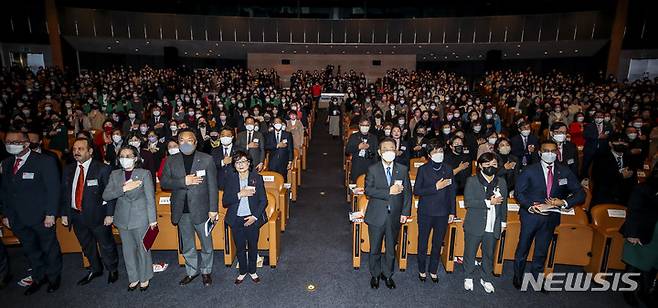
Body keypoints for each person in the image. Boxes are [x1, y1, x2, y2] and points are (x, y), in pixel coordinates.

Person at [512, 140, 585, 291]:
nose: (550, 154)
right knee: (523, 247)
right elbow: (519, 193)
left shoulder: (564, 171)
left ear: (557, 153)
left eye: (553, 151)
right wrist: (531, 206)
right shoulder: (529, 170)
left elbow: (580, 193)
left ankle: (536, 278)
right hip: (531, 215)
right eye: (546, 151)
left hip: (551, 217)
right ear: (540, 152)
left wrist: (563, 202)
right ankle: (518, 275)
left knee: (542, 250)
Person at [0, 130, 62, 295]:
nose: (10, 145)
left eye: (14, 142)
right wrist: (6, 214)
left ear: (26, 144)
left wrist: (51, 213)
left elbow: (53, 189)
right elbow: (4, 192)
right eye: (7, 142)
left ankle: (54, 278)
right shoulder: (6, 164)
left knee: (49, 248)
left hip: (41, 216)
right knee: (30, 250)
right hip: (17, 218)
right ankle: (38, 277)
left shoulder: (45, 161)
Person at [160, 129, 218, 287]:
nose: (185, 143)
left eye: (189, 140)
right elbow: (164, 183)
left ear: (196, 142)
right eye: (182, 140)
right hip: (181, 209)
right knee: (187, 244)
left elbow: (213, 186)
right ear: (178, 143)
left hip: (202, 209)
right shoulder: (171, 160)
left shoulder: (206, 159)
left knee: (206, 244)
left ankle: (206, 271)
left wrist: (214, 209)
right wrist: (183, 181)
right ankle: (191, 271)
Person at [60, 138, 119, 286]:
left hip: (98, 216)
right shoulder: (68, 169)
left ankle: (112, 269)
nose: (76, 152)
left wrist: (110, 214)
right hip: (76, 215)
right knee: (87, 245)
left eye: (80, 149)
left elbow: (110, 194)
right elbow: (64, 193)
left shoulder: (102, 169)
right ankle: (95, 268)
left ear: (90, 151)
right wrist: (65, 213)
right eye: (74, 149)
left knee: (106, 245)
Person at [103, 145, 157, 292]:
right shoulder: (115, 174)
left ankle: (145, 277)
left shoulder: (144, 173)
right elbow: (106, 195)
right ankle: (133, 278)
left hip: (141, 218)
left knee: (143, 248)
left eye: (128, 156)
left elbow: (150, 198)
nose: (125, 159)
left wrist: (153, 219)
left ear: (135, 158)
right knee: (127, 250)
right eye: (122, 156)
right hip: (122, 218)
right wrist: (124, 188)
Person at [362, 138, 412, 289]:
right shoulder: (373, 169)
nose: (389, 151)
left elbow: (408, 193)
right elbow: (368, 190)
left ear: (396, 151)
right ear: (379, 152)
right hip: (377, 215)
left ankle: (388, 274)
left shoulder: (402, 169)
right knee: (375, 248)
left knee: (391, 248)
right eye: (385, 149)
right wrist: (388, 192)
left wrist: (405, 212)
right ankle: (375, 274)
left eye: (392, 148)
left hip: (394, 216)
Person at [463, 153, 508, 293]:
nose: (490, 167)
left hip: (493, 223)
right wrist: (489, 202)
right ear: (480, 166)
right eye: (487, 164)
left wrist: (503, 223)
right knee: (470, 252)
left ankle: (486, 278)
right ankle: (468, 276)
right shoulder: (472, 181)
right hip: (475, 223)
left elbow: (504, 204)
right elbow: (468, 203)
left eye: (494, 164)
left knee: (489, 253)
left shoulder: (501, 182)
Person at [221, 151, 267, 284]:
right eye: (237, 162)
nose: (241, 165)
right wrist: (240, 194)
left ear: (249, 163)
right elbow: (225, 201)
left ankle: (252, 271)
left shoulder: (256, 178)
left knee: (253, 246)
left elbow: (263, 201)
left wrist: (255, 217)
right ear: (234, 165)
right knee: (240, 247)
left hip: (252, 218)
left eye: (243, 161)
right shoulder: (230, 179)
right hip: (236, 219)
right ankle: (242, 271)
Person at [413, 141, 456, 283]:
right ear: (429, 155)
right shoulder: (423, 169)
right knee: (423, 242)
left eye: (440, 151)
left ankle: (433, 270)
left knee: (437, 243)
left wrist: (452, 212)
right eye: (435, 152)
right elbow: (417, 191)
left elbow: (451, 192)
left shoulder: (448, 169)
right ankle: (421, 269)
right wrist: (435, 187)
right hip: (426, 212)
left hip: (443, 213)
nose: (439, 154)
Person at [620, 165, 658, 306]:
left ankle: (645, 291)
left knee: (653, 264)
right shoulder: (643, 188)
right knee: (635, 262)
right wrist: (632, 233)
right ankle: (628, 292)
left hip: (656, 235)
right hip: (642, 231)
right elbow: (633, 211)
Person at [591, 134, 636, 207]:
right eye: (617, 142)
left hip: (624, 198)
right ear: (610, 144)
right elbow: (599, 178)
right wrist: (621, 176)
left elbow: (633, 181)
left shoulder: (630, 158)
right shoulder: (601, 157)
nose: (621, 144)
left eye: (624, 142)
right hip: (604, 196)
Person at [345, 118, 379, 183]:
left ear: (369, 126)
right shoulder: (354, 136)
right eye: (363, 125)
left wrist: (369, 148)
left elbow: (375, 155)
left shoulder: (373, 138)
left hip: (369, 165)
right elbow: (347, 151)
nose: (365, 127)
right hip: (357, 164)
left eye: (367, 125)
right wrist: (358, 147)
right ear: (359, 126)